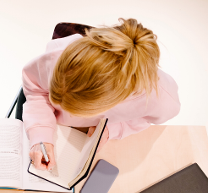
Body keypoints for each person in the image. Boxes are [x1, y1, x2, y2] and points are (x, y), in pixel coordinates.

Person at [23, 19, 180, 170]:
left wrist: (111, 130)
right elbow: (36, 89)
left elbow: (144, 120)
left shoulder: (162, 100)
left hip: (86, 139)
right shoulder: (59, 54)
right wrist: (40, 133)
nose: (57, 105)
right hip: (52, 129)